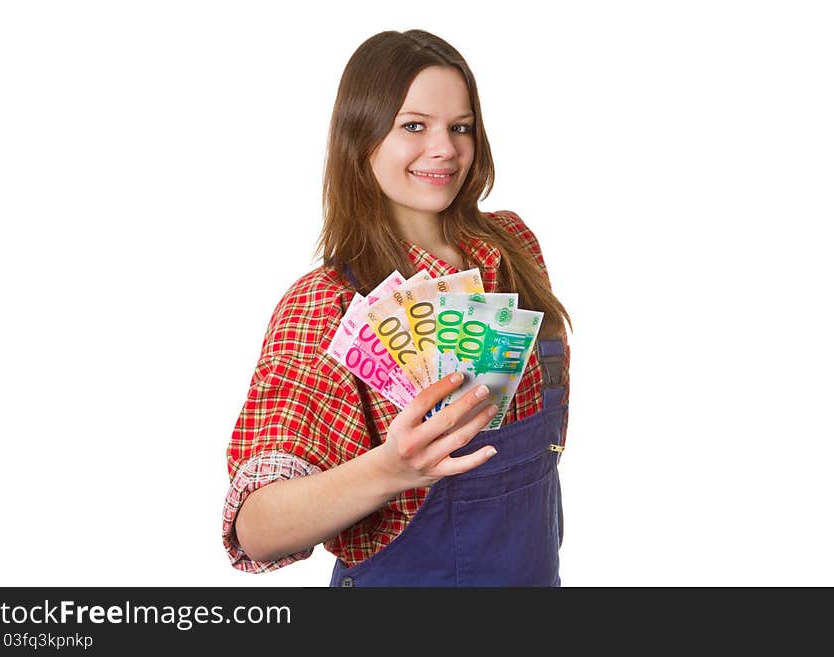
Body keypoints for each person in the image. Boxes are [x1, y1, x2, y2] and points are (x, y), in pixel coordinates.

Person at [222, 29, 572, 586]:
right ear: (361, 138)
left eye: (460, 127)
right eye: (414, 126)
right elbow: (254, 529)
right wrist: (389, 469)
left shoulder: (514, 248)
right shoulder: (326, 304)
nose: (445, 148)